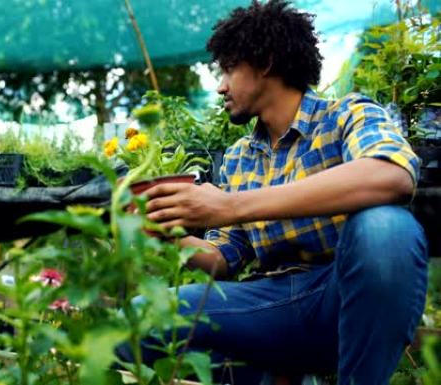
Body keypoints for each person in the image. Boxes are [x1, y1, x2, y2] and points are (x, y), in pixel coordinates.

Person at [120, 1, 429, 384]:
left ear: (264, 62)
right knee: (138, 317)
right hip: (270, 306)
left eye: (228, 69)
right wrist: (165, 233)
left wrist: (230, 206)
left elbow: (391, 174)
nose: (220, 86)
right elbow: (222, 260)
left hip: (342, 297)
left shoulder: (347, 115)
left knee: (386, 229)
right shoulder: (238, 158)